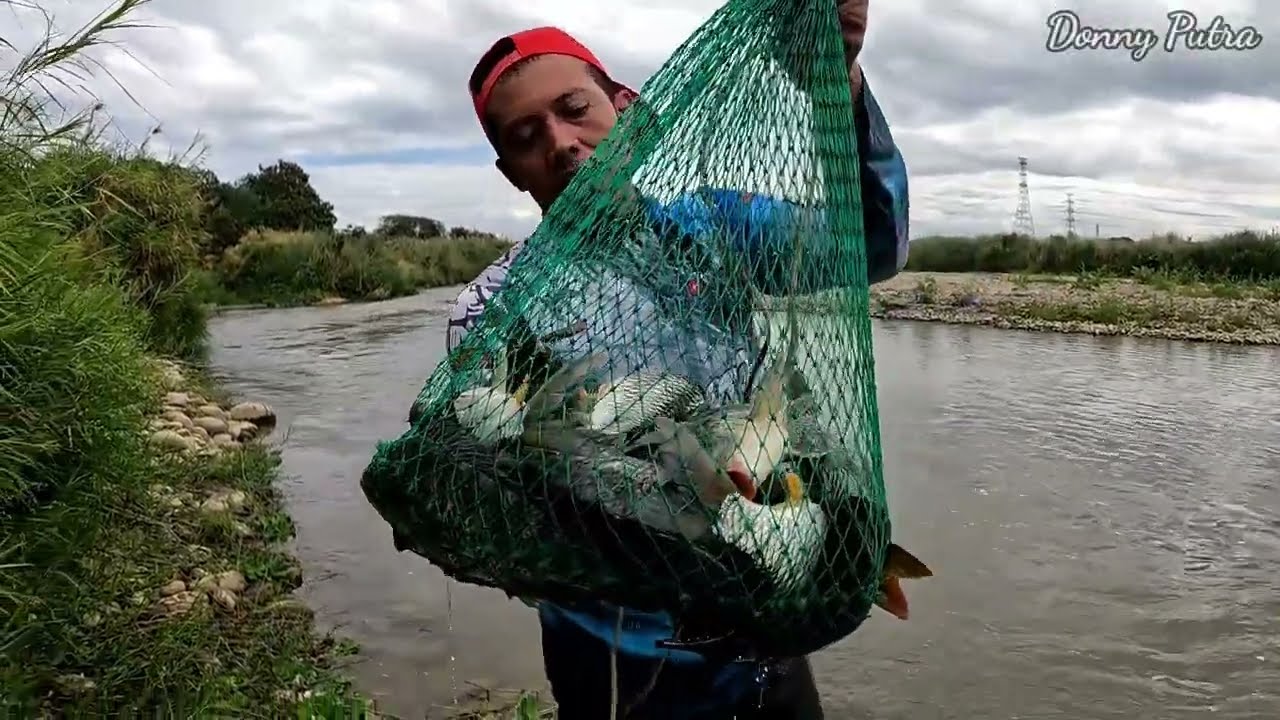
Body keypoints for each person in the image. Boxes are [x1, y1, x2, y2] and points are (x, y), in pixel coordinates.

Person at [444, 2, 908, 717]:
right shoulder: (490, 305)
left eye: (575, 110)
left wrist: (834, 77)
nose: (563, 143)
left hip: (759, 619)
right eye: (528, 136)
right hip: (607, 653)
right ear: (511, 172)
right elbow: (497, 480)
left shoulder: (716, 225)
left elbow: (874, 245)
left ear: (628, 110)